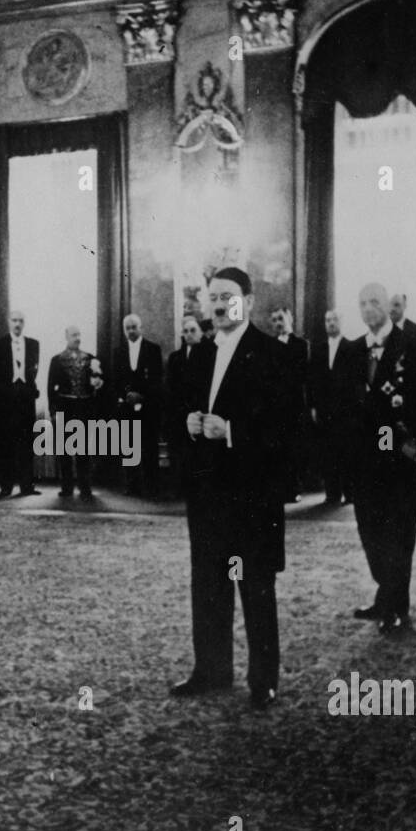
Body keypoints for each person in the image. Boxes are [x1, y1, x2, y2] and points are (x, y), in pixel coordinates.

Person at [170, 267, 289, 709]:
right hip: (207, 495)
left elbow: (287, 431)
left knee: (256, 587)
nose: (219, 305)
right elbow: (180, 410)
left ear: (249, 302)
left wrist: (233, 431)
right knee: (208, 584)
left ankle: (264, 679)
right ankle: (212, 669)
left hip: (252, 496)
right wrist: (188, 422)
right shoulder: (198, 355)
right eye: (213, 297)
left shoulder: (273, 355)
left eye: (228, 297)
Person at [348, 284, 416, 636]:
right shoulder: (353, 349)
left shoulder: (411, 343)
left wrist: (413, 449)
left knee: (397, 532)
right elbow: (343, 402)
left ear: (388, 307)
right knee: (370, 530)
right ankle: (385, 593)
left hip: (397, 457)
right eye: (362, 303)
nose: (368, 309)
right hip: (363, 460)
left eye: (374, 302)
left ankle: (397, 603)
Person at [47, 326, 104, 499]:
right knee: (64, 450)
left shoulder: (90, 359)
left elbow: (98, 384)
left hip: (84, 406)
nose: (77, 338)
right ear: (66, 337)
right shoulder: (56, 360)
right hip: (65, 405)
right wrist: (53, 410)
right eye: (73, 335)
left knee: (83, 449)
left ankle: (85, 487)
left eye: (79, 335)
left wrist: (97, 382)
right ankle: (66, 487)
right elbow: (51, 387)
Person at [308, 309, 358, 504]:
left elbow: (356, 382)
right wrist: (312, 406)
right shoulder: (318, 348)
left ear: (341, 321)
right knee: (327, 452)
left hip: (345, 411)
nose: (330, 323)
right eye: (327, 320)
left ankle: (349, 492)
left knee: (346, 451)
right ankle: (332, 493)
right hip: (324, 410)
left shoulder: (351, 347)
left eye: (334, 319)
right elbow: (311, 379)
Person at [0, 311, 41, 497]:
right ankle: (6, 486)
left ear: (24, 323)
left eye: (21, 320)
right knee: (6, 444)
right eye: (14, 320)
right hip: (5, 401)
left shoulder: (34, 344)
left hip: (26, 400)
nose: (17, 324)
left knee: (27, 443)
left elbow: (33, 371)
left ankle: (27, 486)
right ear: (8, 322)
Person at [116, 314, 163, 497]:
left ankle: (152, 487)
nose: (131, 331)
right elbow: (116, 379)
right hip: (127, 406)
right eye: (127, 328)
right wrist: (126, 395)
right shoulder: (118, 351)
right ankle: (132, 485)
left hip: (148, 406)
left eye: (134, 327)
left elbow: (157, 378)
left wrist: (142, 396)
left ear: (141, 327)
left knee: (150, 446)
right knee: (129, 447)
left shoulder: (153, 349)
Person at [269, 307, 310, 503]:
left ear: (290, 319)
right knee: (277, 449)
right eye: (275, 320)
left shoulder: (301, 344)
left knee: (294, 447)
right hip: (275, 406)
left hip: (294, 404)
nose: (278, 323)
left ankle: (294, 488)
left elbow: (301, 373)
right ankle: (279, 488)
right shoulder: (268, 345)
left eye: (281, 318)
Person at [165, 314, 203, 497]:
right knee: (178, 450)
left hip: (198, 411)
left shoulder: (210, 354)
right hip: (179, 411)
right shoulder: (175, 357)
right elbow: (170, 386)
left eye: (193, 330)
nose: (189, 334)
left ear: (200, 333)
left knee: (197, 452)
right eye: (186, 331)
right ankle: (178, 487)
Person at [389, 292, 416, 357]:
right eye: (389, 305)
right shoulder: (381, 333)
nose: (392, 309)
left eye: (396, 305)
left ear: (404, 306)